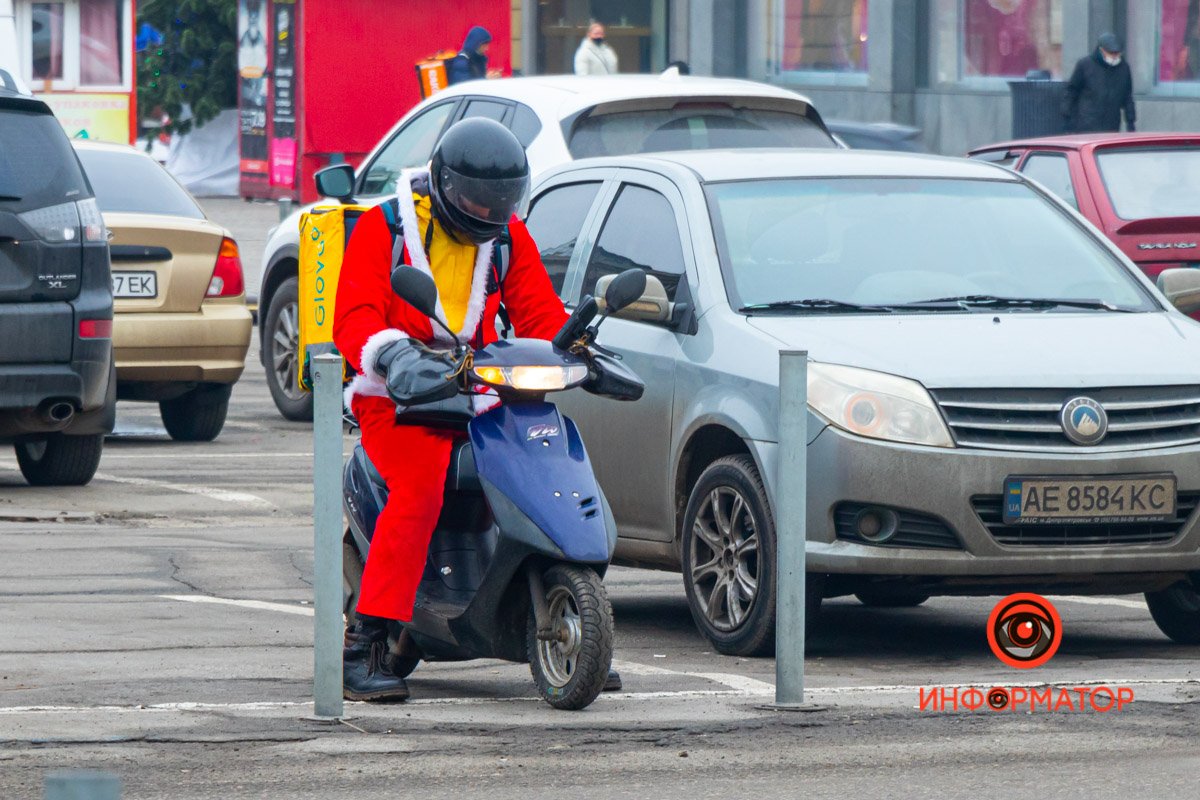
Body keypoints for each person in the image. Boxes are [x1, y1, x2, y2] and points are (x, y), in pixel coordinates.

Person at [333, 118, 621, 701]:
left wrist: (579, 349)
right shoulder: (382, 229)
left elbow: (538, 312)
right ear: (441, 185)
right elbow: (354, 316)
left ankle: (559, 618)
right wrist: (393, 355)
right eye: (474, 199)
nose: (487, 211)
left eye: (501, 201)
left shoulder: (507, 235)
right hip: (396, 396)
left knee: (545, 464)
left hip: (481, 386)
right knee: (420, 487)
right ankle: (362, 642)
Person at [1063, 32, 1136, 133]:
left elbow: (1127, 96)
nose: (1115, 56)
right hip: (1086, 124)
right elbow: (1071, 91)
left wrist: (1130, 121)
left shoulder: (1123, 68)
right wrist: (1067, 118)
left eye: (1118, 53)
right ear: (1101, 50)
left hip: (1111, 124)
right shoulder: (1085, 65)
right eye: (1111, 53)